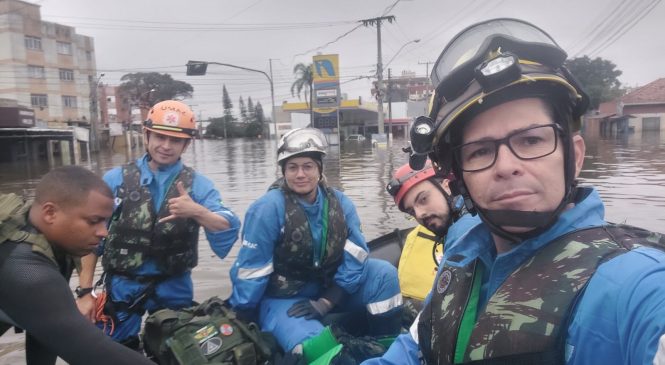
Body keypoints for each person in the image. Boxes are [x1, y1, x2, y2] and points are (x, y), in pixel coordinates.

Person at [364, 18, 665, 365]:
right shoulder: (462, 260)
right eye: (480, 151)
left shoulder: (634, 286)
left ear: (576, 156)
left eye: (531, 139)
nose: (506, 165)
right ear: (459, 178)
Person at [76, 100, 240, 349]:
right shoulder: (115, 180)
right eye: (160, 137)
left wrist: (196, 211)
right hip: (122, 285)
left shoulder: (199, 185)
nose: (165, 146)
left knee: (177, 351)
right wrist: (85, 292)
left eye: (175, 140)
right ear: (146, 135)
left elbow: (226, 224)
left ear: (187, 143)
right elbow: (88, 242)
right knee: (114, 352)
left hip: (174, 285)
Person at [229, 128, 403, 361]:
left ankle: (386, 348)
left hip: (330, 288)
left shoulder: (341, 203)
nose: (300, 174)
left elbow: (357, 253)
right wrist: (243, 314)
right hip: (285, 300)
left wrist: (327, 300)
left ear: (320, 169)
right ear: (283, 172)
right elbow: (252, 269)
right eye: (292, 167)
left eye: (308, 166)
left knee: (384, 274)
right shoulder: (267, 209)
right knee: (320, 351)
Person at [0, 166, 155, 365]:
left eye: (105, 222)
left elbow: (47, 331)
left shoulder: (43, 233)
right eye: (94, 221)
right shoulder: (28, 271)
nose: (104, 232)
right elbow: (90, 352)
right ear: (50, 213)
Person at [386, 162, 478, 311]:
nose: (419, 214)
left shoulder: (465, 233)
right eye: (411, 212)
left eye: (423, 199)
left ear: (446, 186)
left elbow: (443, 310)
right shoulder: (465, 216)